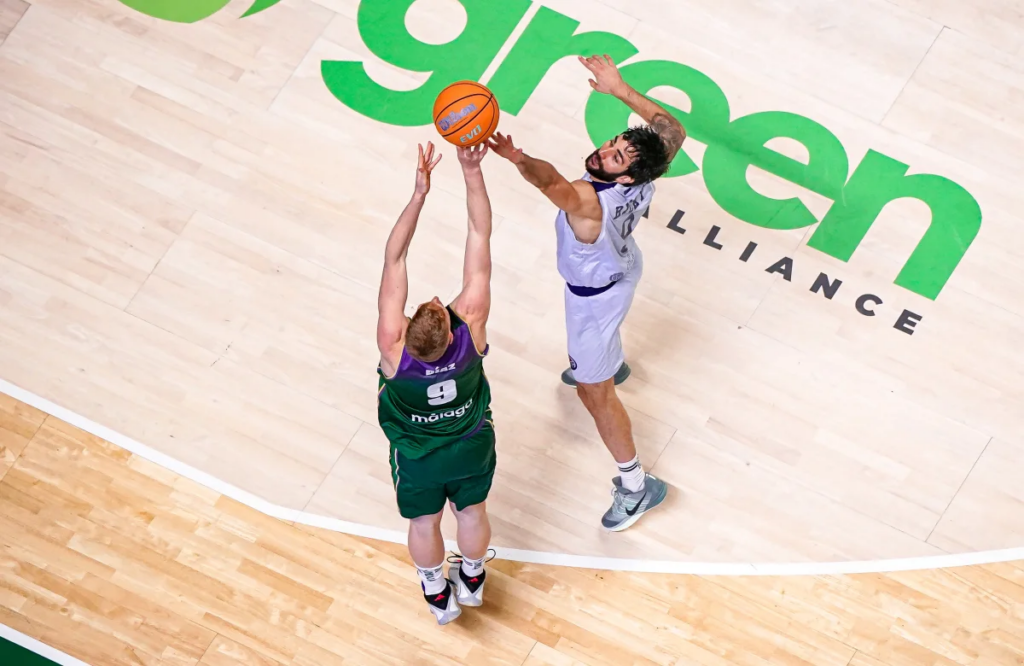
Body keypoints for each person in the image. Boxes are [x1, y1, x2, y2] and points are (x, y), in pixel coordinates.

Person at [486, 54, 685, 532]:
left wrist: (517, 159)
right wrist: (619, 89)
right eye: (611, 143)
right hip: (624, 264)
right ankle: (608, 361)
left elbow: (552, 182)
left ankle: (637, 487)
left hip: (594, 298)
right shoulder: (650, 169)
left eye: (614, 157)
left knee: (594, 394)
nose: (602, 152)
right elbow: (673, 131)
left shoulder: (588, 203)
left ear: (626, 178)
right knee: (598, 361)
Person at [375, 141, 496, 625]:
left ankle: (435, 588)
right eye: (436, 306)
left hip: (418, 455)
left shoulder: (392, 348)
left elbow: (394, 259)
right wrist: (471, 170)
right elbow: (479, 234)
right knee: (472, 513)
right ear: (449, 329)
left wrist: (419, 193)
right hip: (469, 443)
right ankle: (471, 576)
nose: (433, 298)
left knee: (424, 521)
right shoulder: (472, 326)